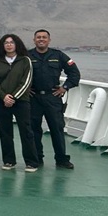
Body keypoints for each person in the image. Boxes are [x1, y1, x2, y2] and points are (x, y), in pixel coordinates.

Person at [29, 29, 80, 169]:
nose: (41, 39)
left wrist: (65, 87)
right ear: (34, 40)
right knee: (34, 130)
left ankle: (62, 159)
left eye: (44, 37)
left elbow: (74, 73)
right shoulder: (27, 56)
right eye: (38, 37)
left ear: (49, 40)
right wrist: (24, 88)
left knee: (57, 129)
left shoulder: (58, 55)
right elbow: (17, 74)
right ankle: (37, 158)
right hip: (33, 98)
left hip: (53, 98)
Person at [0, 34, 39, 172]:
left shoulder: (25, 60)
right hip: (1, 102)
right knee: (5, 132)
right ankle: (9, 160)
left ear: (17, 44)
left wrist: (13, 97)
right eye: (6, 42)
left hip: (21, 102)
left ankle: (31, 162)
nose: (9, 45)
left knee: (26, 131)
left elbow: (26, 81)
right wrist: (3, 96)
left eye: (12, 42)